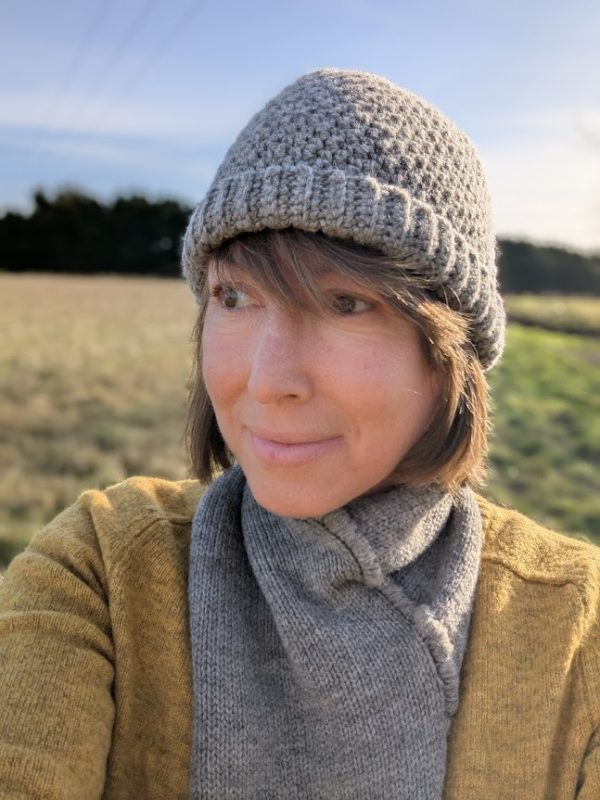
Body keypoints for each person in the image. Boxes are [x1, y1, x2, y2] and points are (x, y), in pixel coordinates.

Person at [0, 68, 598, 800]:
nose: (268, 377)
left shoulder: (577, 632)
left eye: (347, 302)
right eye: (236, 296)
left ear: (451, 355)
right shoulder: (103, 569)